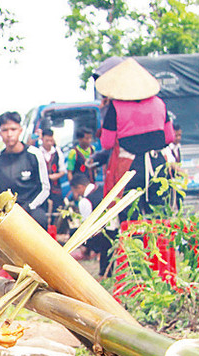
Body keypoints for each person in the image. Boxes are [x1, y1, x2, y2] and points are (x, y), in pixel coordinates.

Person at [96, 58, 175, 218]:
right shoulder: (159, 103)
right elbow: (169, 137)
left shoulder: (115, 107)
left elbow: (107, 143)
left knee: (130, 215)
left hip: (130, 167)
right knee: (160, 215)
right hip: (158, 163)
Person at [0, 111, 51, 230]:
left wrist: (27, 208)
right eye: (5, 130)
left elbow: (45, 188)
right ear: (0, 133)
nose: (9, 134)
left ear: (20, 130)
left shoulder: (34, 155)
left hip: (31, 210)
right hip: (4, 214)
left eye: (13, 129)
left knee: (40, 219)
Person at [70, 173, 116, 277]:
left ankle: (87, 252)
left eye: (75, 191)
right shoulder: (103, 189)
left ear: (80, 187)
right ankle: (104, 273)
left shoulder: (85, 201)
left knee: (74, 233)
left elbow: (88, 226)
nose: (75, 194)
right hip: (114, 229)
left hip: (102, 234)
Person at [39, 129, 66, 213]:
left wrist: (54, 176)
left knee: (57, 210)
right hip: (40, 188)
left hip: (55, 188)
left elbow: (62, 171)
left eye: (51, 140)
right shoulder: (37, 152)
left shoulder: (57, 153)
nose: (49, 143)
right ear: (42, 139)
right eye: (47, 140)